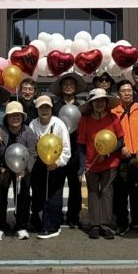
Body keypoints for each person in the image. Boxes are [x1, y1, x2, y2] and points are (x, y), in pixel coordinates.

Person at [78, 88, 124, 240]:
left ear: (106, 102)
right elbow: (81, 145)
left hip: (110, 163)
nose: (99, 103)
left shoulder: (113, 118)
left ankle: (105, 225)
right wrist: (81, 167)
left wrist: (108, 152)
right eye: (95, 101)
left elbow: (120, 140)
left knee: (106, 192)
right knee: (92, 193)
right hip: (91, 163)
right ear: (91, 104)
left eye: (102, 100)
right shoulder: (85, 119)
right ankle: (94, 226)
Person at [0, 101, 38, 241]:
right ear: (6, 118)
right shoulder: (0, 131)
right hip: (4, 168)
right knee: (0, 197)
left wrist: (26, 169)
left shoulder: (28, 132)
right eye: (12, 115)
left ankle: (21, 226)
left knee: (23, 196)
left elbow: (33, 153)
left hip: (22, 168)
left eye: (18, 115)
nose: (15, 118)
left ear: (22, 117)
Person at [111, 80, 138, 236]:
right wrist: (120, 148)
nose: (127, 93)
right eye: (123, 91)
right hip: (122, 157)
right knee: (121, 193)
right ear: (118, 94)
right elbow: (110, 133)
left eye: (129, 90)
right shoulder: (113, 111)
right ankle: (122, 223)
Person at [29, 95, 71, 239]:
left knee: (54, 196)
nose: (44, 110)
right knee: (39, 194)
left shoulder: (58, 124)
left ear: (52, 109)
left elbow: (66, 149)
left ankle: (52, 226)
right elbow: (31, 146)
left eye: (47, 107)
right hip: (39, 165)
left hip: (56, 165)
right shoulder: (33, 124)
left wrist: (58, 163)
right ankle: (39, 221)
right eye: (41, 108)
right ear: (37, 110)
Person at [50, 72, 86, 229]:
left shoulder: (82, 106)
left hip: (76, 151)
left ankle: (73, 216)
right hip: (58, 151)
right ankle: (55, 216)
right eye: (65, 84)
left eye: (71, 84)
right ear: (61, 87)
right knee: (56, 186)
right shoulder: (54, 106)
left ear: (76, 87)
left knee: (75, 186)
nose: (68, 87)